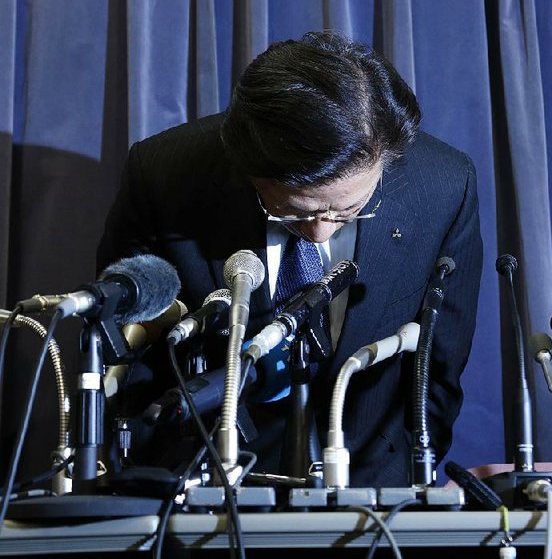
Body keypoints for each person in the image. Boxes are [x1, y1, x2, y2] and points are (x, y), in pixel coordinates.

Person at [97, 30, 482, 488]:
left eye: (348, 210)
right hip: (199, 482)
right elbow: (128, 350)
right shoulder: (166, 174)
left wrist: (404, 473)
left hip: (370, 487)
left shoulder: (442, 185)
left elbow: (440, 364)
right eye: (291, 212)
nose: (320, 231)